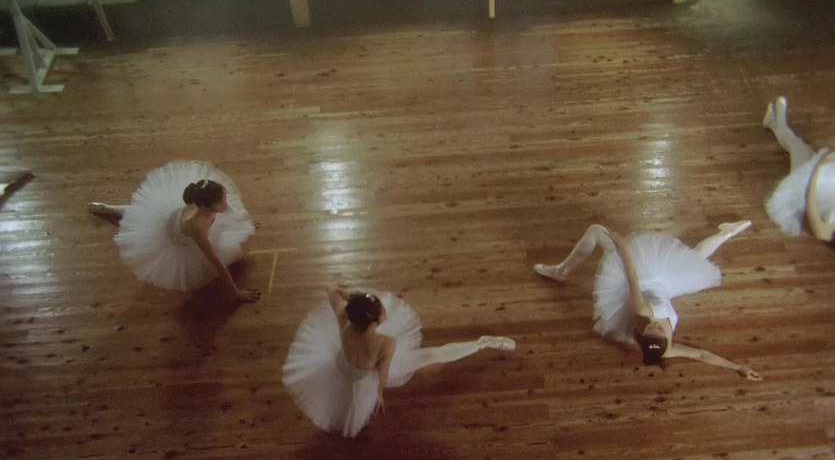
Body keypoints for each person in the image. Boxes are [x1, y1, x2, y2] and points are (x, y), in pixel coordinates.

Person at [533, 222, 761, 381]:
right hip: (665, 287)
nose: (655, 324)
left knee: (595, 230)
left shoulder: (642, 311)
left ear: (643, 335)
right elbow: (701, 355)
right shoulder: (666, 350)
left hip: (643, 278)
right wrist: (737, 367)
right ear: (666, 340)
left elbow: (632, 275)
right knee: (694, 259)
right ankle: (726, 232)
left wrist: (621, 245)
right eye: (660, 329)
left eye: (650, 328)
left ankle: (560, 271)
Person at [282, 287, 516, 437]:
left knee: (343, 402)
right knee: (432, 355)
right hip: (365, 375)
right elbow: (383, 373)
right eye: (382, 310)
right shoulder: (385, 343)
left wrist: (353, 300)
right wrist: (379, 393)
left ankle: (480, 344)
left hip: (342, 366)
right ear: (375, 321)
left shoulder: (343, 319)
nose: (386, 310)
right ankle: (480, 344)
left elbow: (333, 290)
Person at [88, 159, 260, 303]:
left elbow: (228, 211)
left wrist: (244, 225)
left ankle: (111, 208)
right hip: (177, 237)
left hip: (178, 218)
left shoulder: (205, 203)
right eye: (221, 202)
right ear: (206, 206)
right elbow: (217, 263)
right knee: (137, 223)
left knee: (143, 214)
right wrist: (236, 294)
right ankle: (110, 210)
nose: (226, 204)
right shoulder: (196, 227)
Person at [763, 96, 835, 241]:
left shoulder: (827, 231)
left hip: (806, 186)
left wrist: (818, 168)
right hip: (827, 180)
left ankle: (777, 124)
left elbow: (811, 202)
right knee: (801, 147)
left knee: (797, 147)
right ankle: (774, 123)